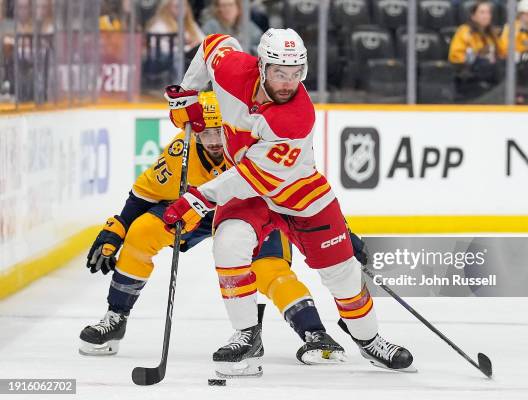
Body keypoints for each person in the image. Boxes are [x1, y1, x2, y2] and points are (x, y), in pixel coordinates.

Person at [162, 29, 414, 378]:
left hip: (301, 195)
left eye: (296, 74)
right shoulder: (234, 69)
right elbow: (213, 44)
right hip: (251, 193)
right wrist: (189, 93)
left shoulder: (296, 116)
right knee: (229, 243)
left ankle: (369, 340)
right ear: (262, 67)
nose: (288, 82)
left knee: (343, 275)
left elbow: (253, 177)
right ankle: (247, 335)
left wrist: (198, 198)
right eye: (280, 73)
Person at [79, 91, 346, 365]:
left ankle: (315, 333)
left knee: (270, 270)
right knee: (142, 231)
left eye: (220, 131)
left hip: (254, 211)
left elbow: (299, 188)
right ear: (194, 132)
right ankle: (115, 318)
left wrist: (336, 228)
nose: (215, 141)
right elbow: (144, 195)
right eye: (206, 132)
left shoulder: (254, 146)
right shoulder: (179, 153)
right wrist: (119, 227)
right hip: (195, 210)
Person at [448, 0, 503, 103]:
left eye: (488, 12)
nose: (486, 15)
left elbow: (502, 54)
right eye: (482, 12)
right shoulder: (464, 31)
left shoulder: (492, 35)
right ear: (473, 16)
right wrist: (477, 54)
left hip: (491, 77)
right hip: (471, 78)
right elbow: (455, 57)